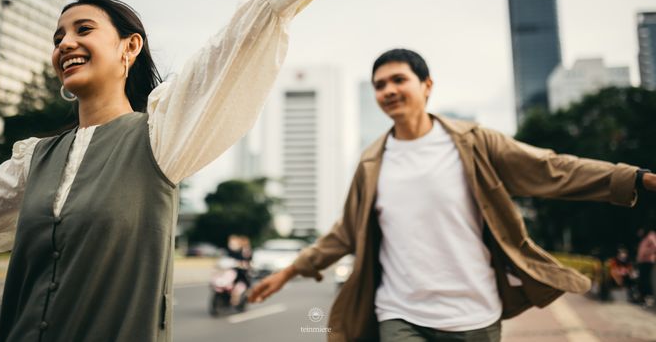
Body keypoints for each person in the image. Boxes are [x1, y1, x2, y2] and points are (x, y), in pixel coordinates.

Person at [0, 0, 432, 341]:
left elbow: (245, 33)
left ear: (129, 47)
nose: (65, 43)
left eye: (83, 30)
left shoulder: (159, 136)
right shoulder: (33, 161)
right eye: (58, 37)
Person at [249, 48, 656, 342]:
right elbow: (344, 233)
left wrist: (632, 179)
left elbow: (551, 168)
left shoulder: (474, 141)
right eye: (379, 85)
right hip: (400, 313)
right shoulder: (371, 162)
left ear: (427, 86)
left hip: (475, 313)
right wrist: (289, 271)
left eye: (398, 80)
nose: (388, 90)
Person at [636, 228, 656, 304]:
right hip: (642, 261)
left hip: (648, 261)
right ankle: (642, 298)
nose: (638, 233)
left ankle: (648, 297)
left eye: (639, 231)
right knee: (642, 280)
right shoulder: (644, 239)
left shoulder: (651, 236)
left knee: (646, 280)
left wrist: (646, 252)